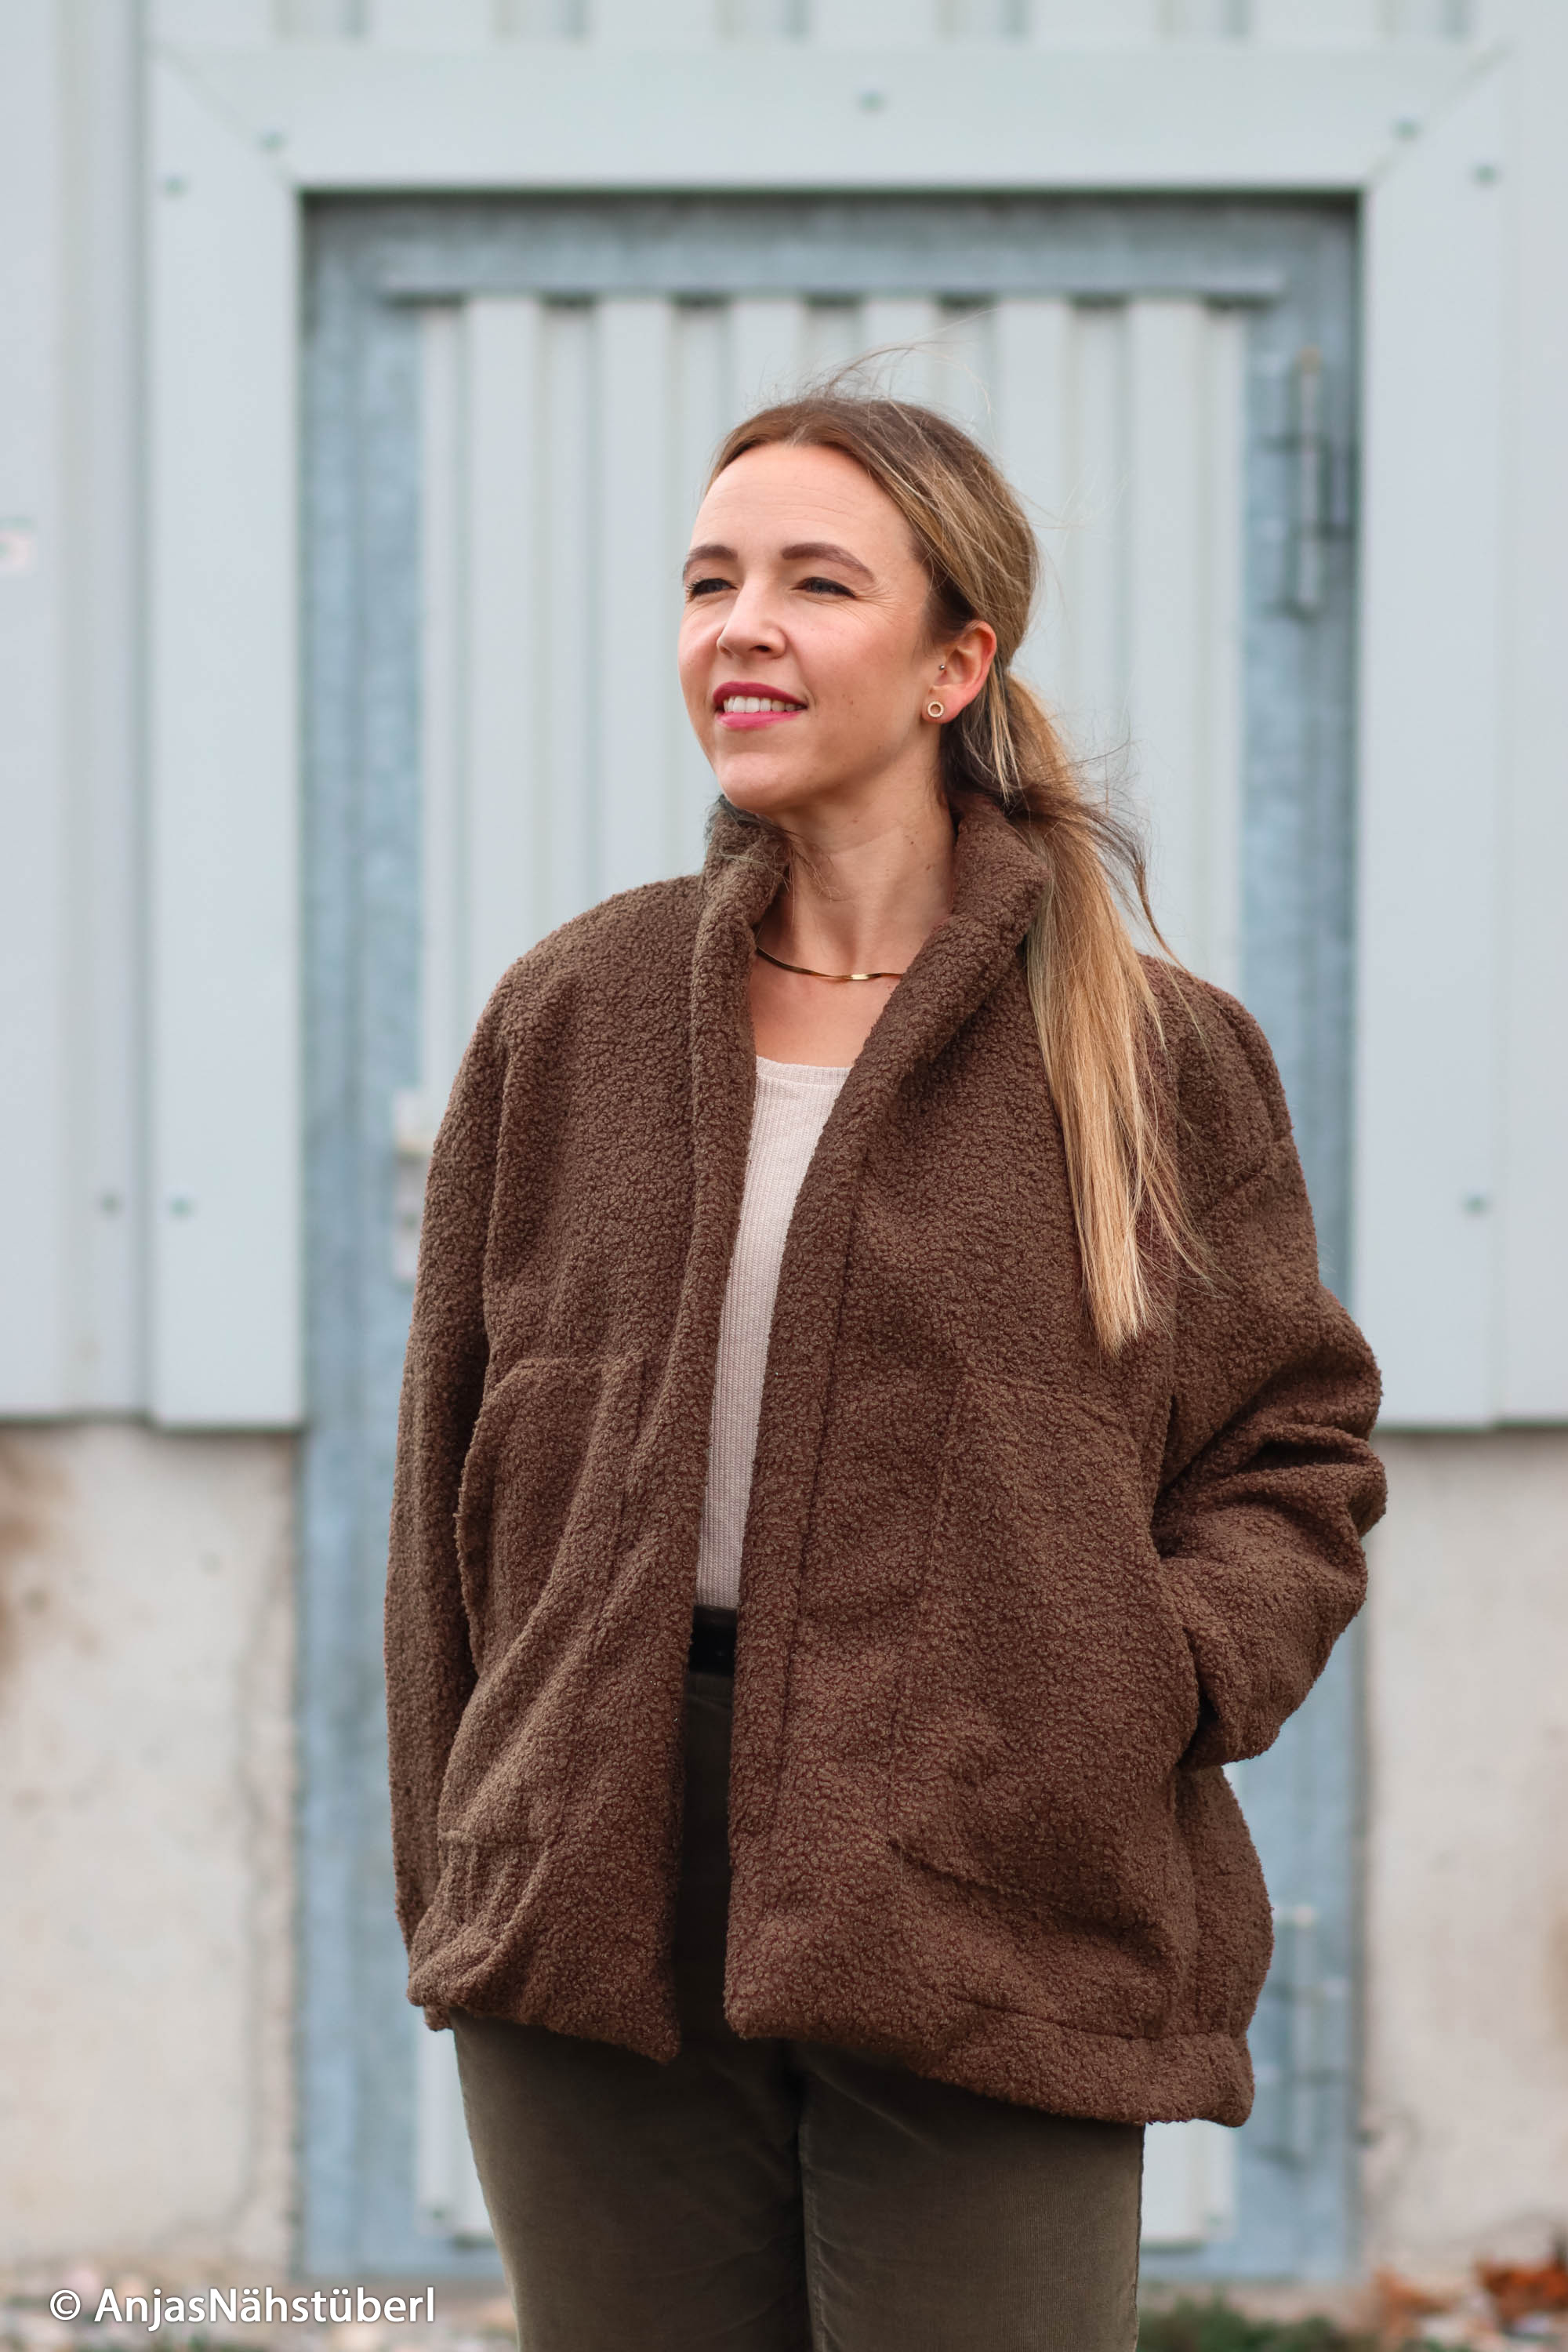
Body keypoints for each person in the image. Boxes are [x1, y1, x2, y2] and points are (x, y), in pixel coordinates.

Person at [383, 390, 1386, 2351]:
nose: (739, 626)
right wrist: (466, 1858)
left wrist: (1126, 1684)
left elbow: (1293, 1450)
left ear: (955, 663)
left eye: (814, 583)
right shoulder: (570, 1016)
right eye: (708, 581)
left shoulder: (1154, 1055)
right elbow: (445, 1484)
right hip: (597, 1866)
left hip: (988, 1865)